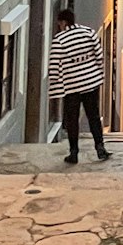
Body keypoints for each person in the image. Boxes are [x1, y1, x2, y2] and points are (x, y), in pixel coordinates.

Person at [48, 8, 111, 165]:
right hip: (91, 81)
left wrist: (55, 83)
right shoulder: (88, 32)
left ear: (63, 22)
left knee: (72, 119)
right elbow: (99, 55)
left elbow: (55, 64)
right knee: (94, 116)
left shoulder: (59, 40)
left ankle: (74, 152)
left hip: (72, 85)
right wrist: (96, 72)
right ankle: (100, 147)